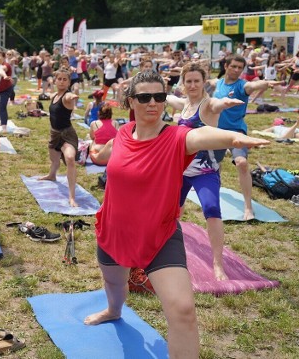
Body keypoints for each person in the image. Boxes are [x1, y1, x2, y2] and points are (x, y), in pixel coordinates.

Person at [85, 71, 268, 358]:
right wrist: (96, 154)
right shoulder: (122, 133)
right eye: (145, 97)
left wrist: (234, 137)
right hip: (114, 228)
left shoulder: (176, 137)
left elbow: (200, 135)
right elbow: (109, 152)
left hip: (160, 234)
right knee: (114, 284)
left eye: (159, 96)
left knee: (183, 310)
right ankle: (113, 310)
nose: (153, 103)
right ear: (131, 102)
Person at [167, 63, 244, 280]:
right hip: (181, 170)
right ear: (184, 83)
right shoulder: (183, 104)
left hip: (205, 171)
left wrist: (227, 102)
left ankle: (217, 264)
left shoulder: (208, 104)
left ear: (204, 82)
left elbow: (218, 104)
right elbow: (169, 99)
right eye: (188, 81)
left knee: (211, 209)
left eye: (196, 81)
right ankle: (166, 247)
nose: (192, 85)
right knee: (174, 211)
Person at [209, 55, 282, 221]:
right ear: (226, 66)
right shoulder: (217, 83)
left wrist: (265, 83)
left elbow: (253, 85)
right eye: (233, 66)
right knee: (214, 166)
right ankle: (215, 194)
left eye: (239, 68)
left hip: (237, 132)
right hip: (218, 132)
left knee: (241, 163)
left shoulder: (242, 86)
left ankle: (248, 207)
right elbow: (210, 82)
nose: (236, 70)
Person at [39, 70, 80, 207]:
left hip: (67, 134)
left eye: (65, 79)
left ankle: (72, 197)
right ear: (55, 81)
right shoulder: (55, 95)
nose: (62, 81)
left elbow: (69, 97)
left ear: (69, 82)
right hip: (54, 133)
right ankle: (52, 175)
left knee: (69, 159)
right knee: (54, 160)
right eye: (59, 79)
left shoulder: (66, 96)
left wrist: (73, 96)